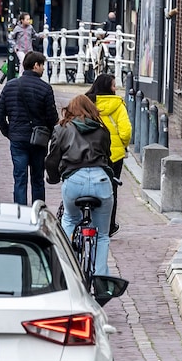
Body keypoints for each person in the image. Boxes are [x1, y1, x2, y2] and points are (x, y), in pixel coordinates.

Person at [45, 95, 115, 276]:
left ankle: (67, 271)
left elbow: (52, 159)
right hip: (101, 180)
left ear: (70, 110)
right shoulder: (102, 129)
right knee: (102, 235)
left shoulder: (62, 129)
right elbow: (108, 157)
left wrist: (53, 177)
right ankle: (100, 278)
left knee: (69, 219)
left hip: (74, 180)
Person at [0, 51, 58, 205]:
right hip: (39, 140)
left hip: (18, 138)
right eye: (42, 65)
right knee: (38, 178)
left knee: (20, 177)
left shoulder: (10, 86)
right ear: (36, 65)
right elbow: (52, 118)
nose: (43, 69)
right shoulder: (45, 88)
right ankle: (38, 210)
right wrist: (48, 134)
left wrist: (9, 132)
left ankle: (20, 212)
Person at [86, 75, 132, 236]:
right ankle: (109, 225)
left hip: (91, 152)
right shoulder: (118, 105)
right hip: (114, 154)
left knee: (89, 185)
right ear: (108, 88)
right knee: (111, 189)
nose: (115, 88)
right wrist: (122, 145)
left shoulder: (87, 102)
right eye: (113, 86)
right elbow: (126, 132)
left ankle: (88, 220)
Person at [8, 12, 38, 78]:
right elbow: (11, 38)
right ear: (22, 20)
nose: (29, 21)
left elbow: (34, 35)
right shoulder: (17, 28)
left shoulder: (30, 27)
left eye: (29, 19)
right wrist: (15, 46)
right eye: (27, 19)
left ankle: (28, 76)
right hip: (20, 48)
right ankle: (21, 76)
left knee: (30, 62)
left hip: (29, 49)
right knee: (23, 61)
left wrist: (40, 35)